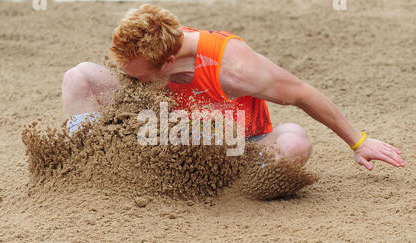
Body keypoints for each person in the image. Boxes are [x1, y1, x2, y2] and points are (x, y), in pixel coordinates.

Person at [61, 4, 405, 171]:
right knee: (79, 76)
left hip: (238, 148)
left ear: (167, 62)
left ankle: (228, 187)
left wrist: (358, 141)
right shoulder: (148, 42)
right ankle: (87, 167)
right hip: (164, 138)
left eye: (138, 77)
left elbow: (302, 93)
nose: (130, 82)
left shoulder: (235, 67)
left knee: (296, 142)